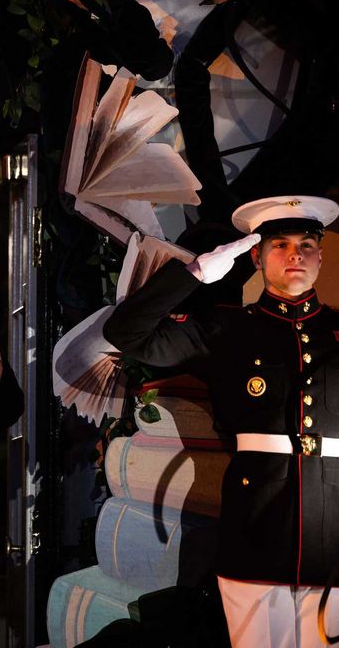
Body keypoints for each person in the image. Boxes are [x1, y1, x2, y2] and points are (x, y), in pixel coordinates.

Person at [103, 195, 339, 647]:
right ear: (256, 255)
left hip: (331, 534)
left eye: (306, 244)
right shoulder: (227, 330)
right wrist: (192, 275)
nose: (295, 255)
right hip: (255, 528)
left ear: (320, 255)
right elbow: (126, 333)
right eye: (279, 244)